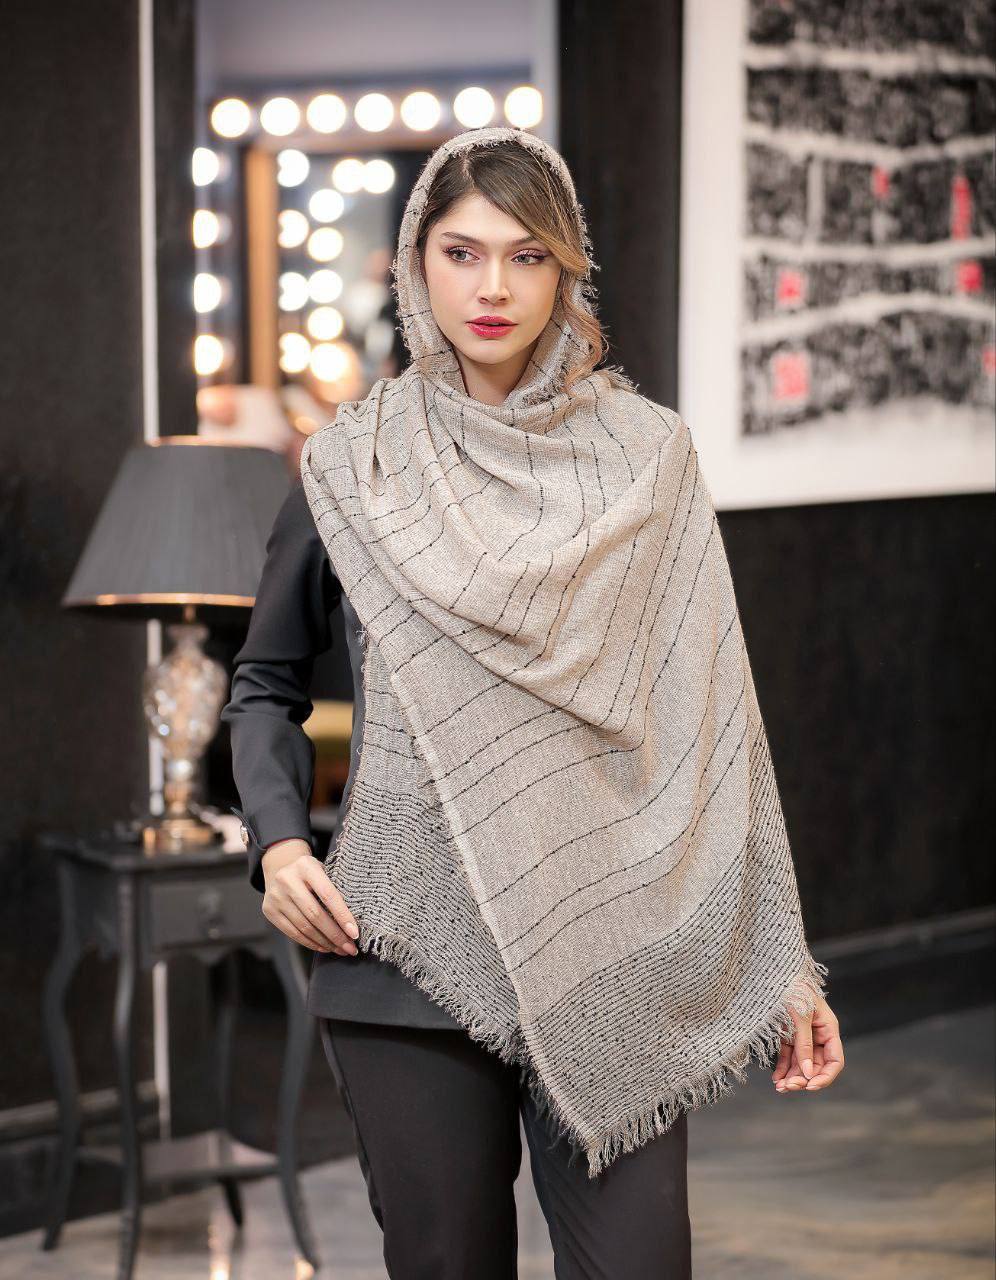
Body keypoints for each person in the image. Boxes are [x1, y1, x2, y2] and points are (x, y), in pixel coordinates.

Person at [221, 127, 845, 1279]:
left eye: (526, 256)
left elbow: (716, 725)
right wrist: (278, 841)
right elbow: (265, 682)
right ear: (416, 264)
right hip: (408, 953)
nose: (492, 288)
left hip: (614, 954)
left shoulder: (650, 459)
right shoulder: (354, 465)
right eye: (461, 253)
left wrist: (782, 961)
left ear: (567, 270)